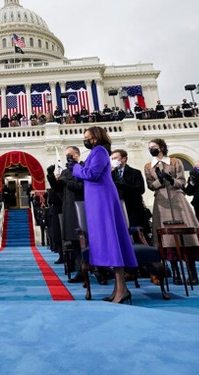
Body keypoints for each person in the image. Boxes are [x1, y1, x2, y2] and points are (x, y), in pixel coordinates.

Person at [73, 126, 137, 304]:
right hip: (96, 198)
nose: (85, 140)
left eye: (87, 137)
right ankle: (119, 288)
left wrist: (77, 168)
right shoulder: (96, 152)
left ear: (95, 137)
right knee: (107, 240)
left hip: (102, 198)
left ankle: (122, 289)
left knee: (111, 239)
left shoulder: (100, 151)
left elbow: (91, 174)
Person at [143, 138, 199, 285]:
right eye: (149, 147)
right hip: (161, 201)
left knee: (186, 236)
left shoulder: (175, 161)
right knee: (167, 239)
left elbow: (182, 182)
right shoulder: (148, 166)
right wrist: (160, 180)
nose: (151, 149)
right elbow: (150, 185)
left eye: (153, 146)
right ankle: (176, 272)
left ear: (161, 147)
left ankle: (192, 272)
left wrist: (170, 180)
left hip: (177, 198)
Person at [46, 147, 84, 277]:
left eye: (70, 154)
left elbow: (81, 186)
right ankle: (79, 270)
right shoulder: (65, 171)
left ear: (77, 154)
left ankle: (98, 269)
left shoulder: (83, 167)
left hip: (82, 207)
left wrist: (66, 181)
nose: (68, 156)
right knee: (74, 241)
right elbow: (57, 188)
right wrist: (51, 176)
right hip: (68, 208)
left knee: (86, 240)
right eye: (66, 154)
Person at [110, 149, 149, 237]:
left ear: (124, 159)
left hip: (133, 209)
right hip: (118, 209)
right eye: (112, 159)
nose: (113, 161)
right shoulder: (111, 174)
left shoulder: (135, 173)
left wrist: (121, 185)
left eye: (115, 158)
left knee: (138, 236)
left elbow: (140, 189)